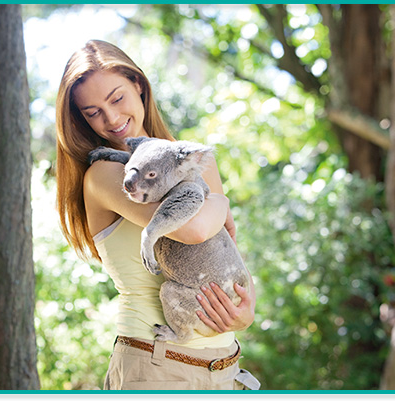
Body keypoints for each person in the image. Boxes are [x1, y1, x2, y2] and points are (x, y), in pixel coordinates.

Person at [55, 39, 260, 390]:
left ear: (138, 85)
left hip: (225, 369)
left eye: (117, 98)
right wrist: (221, 203)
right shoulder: (106, 175)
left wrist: (246, 309)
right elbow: (193, 228)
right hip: (155, 367)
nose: (112, 118)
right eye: (93, 112)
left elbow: (228, 253)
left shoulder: (192, 160)